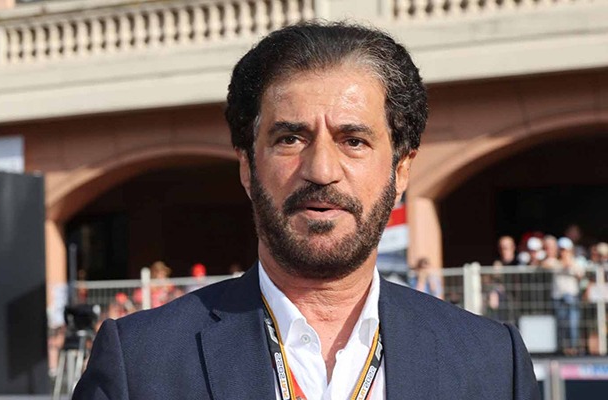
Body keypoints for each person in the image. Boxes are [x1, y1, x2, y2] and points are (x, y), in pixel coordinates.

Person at [73, 22, 539, 400]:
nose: (321, 171)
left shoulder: (493, 363)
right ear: (247, 167)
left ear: (400, 170)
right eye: (290, 139)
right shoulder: (140, 364)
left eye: (353, 140)